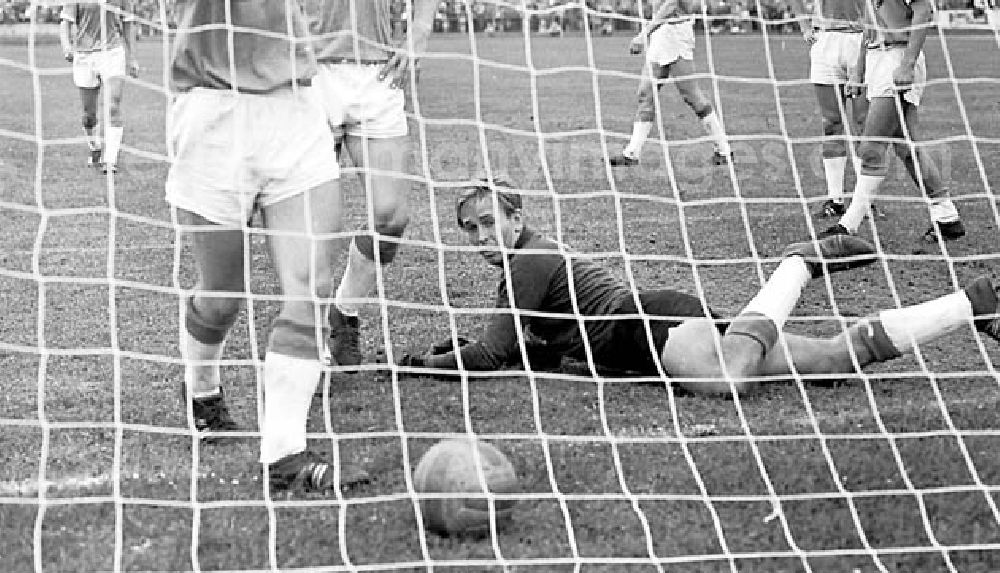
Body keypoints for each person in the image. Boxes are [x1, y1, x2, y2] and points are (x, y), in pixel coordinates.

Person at [159, 0, 379, 496]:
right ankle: (202, 384)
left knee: (307, 285)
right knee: (220, 295)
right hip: (215, 119)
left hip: (293, 115)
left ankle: (284, 453)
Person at [396, 176, 998, 393]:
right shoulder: (529, 262)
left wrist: (416, 367)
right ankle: (969, 305)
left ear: (516, 218)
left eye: (487, 224)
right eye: (469, 229)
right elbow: (531, 345)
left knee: (725, 379)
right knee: (837, 361)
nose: (479, 238)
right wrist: (445, 348)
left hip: (642, 325)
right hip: (650, 326)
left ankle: (798, 265)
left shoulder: (527, 263)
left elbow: (494, 353)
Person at [269, 0, 442, 369]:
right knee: (316, 231)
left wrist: (416, 39)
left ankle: (345, 309)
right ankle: (306, 339)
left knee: (391, 217)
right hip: (306, 82)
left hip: (375, 77)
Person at [825, 0, 964, 246]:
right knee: (905, 146)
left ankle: (848, 228)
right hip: (875, 59)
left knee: (871, 146)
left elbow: (923, 12)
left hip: (898, 58)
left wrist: (906, 63)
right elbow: (869, 28)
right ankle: (947, 218)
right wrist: (857, 73)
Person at [609, 0, 731, 167]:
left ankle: (723, 149)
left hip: (675, 33)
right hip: (664, 34)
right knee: (646, 92)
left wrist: (644, 33)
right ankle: (631, 153)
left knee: (691, 95)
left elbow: (672, 3)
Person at [787, 0, 871, 218]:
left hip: (863, 43)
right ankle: (836, 198)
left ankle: (864, 198)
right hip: (827, 43)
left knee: (865, 123)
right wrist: (805, 25)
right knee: (831, 122)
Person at [59, 0, 139, 174]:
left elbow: (128, 25)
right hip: (85, 57)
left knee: (113, 106)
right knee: (89, 115)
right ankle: (94, 146)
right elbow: (65, 24)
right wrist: (67, 46)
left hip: (113, 53)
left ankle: (110, 159)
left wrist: (132, 57)